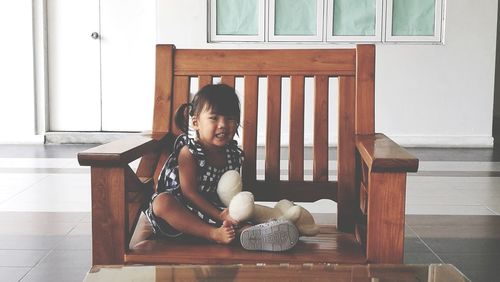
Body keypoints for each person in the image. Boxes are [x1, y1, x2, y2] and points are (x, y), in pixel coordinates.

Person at [145, 83, 299, 251]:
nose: (223, 124)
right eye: (214, 118)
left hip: (216, 211)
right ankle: (212, 234)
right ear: (196, 122)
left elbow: (230, 193)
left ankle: (253, 235)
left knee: (240, 219)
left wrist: (234, 213)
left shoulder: (232, 154)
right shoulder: (189, 153)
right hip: (182, 214)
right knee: (161, 203)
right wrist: (218, 215)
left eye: (230, 118)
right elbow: (189, 192)